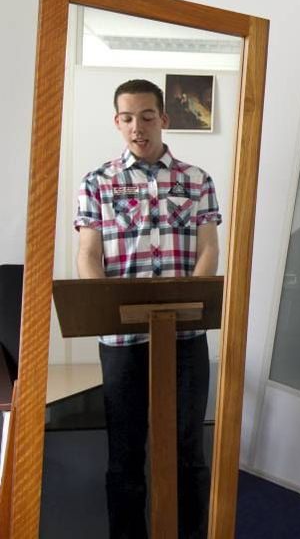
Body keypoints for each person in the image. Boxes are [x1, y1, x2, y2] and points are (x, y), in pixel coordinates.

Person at [76, 78, 221, 538]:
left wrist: (194, 305)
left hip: (184, 337)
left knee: (186, 448)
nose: (137, 126)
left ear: (165, 118)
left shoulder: (197, 179)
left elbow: (209, 248)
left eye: (146, 115)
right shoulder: (97, 181)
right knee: (124, 453)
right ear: (117, 122)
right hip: (122, 341)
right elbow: (88, 254)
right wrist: (103, 309)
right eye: (127, 117)